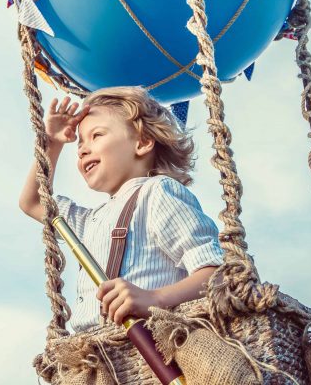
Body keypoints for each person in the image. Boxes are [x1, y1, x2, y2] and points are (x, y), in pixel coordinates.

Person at [19, 86, 225, 332]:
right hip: (97, 354)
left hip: (151, 346)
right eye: (79, 145)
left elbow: (217, 274)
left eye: (97, 136)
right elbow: (32, 202)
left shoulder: (157, 192)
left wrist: (155, 298)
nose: (83, 149)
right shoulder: (90, 220)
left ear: (143, 142)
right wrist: (52, 143)